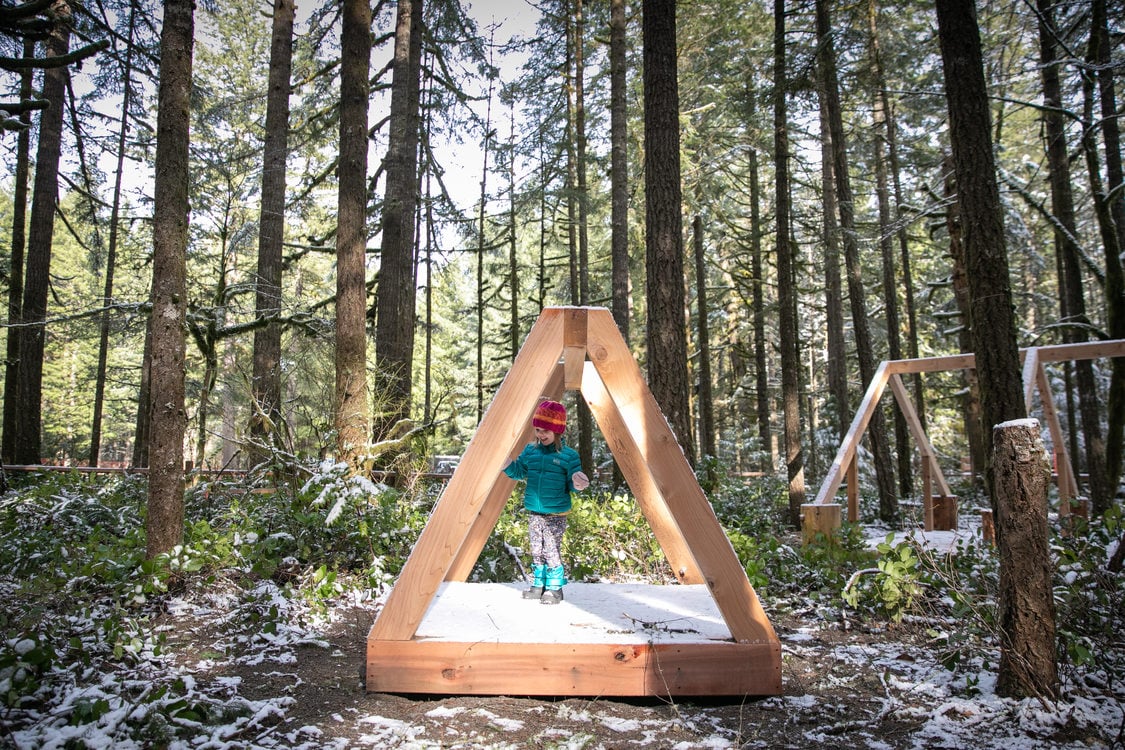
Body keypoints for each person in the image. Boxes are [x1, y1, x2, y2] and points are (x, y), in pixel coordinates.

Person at [503, 400, 589, 604]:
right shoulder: (530, 451)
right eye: (538, 430)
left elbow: (572, 482)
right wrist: (506, 465)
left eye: (546, 431)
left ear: (557, 431)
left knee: (551, 550)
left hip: (555, 513)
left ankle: (555, 588)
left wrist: (578, 484)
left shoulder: (568, 456)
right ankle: (538, 585)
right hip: (535, 511)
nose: (541, 435)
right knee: (536, 550)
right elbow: (519, 472)